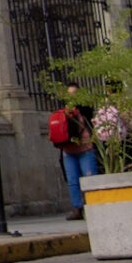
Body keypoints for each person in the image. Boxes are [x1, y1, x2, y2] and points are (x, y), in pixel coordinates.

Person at [56, 91, 100, 222]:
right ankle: (77, 208)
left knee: (90, 179)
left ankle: (93, 205)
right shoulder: (63, 113)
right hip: (69, 151)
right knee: (73, 181)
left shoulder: (85, 111)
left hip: (85, 149)